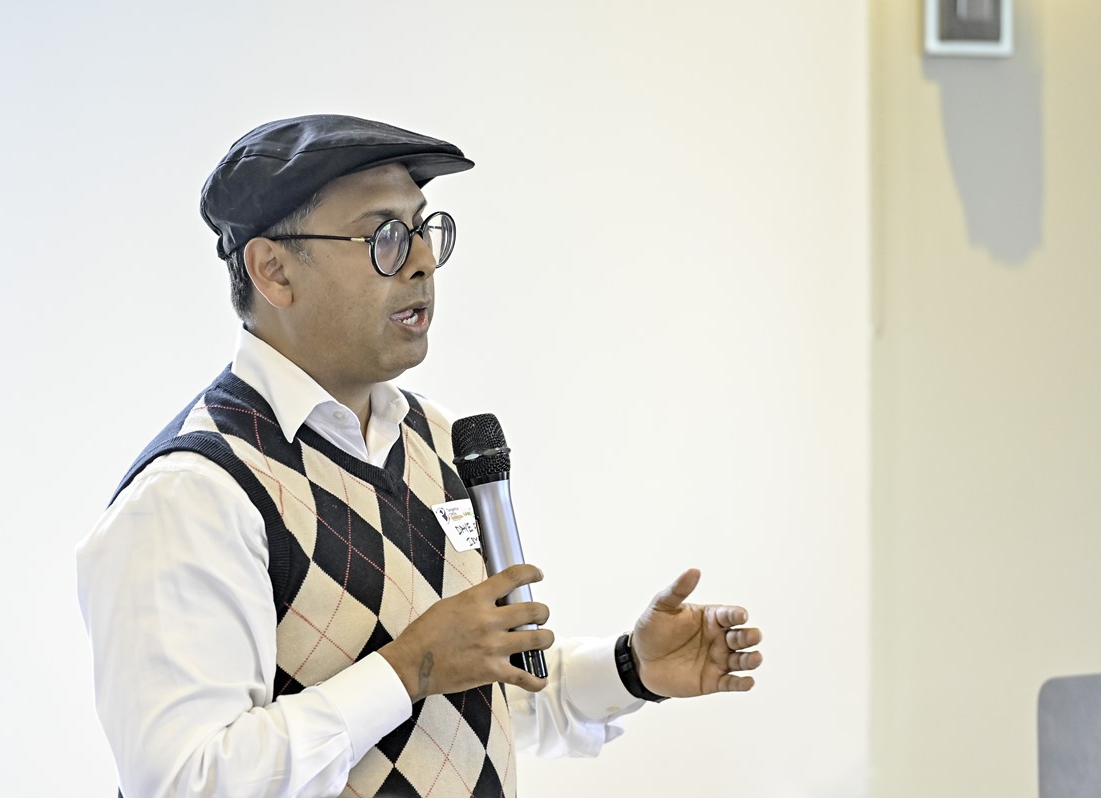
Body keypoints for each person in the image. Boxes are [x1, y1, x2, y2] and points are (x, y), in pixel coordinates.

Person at [76, 114, 763, 798]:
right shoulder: (193, 493)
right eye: (384, 235)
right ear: (274, 271)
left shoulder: (434, 438)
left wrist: (630, 668)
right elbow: (188, 781)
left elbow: (477, 703)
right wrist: (407, 669)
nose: (422, 260)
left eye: (423, 228)